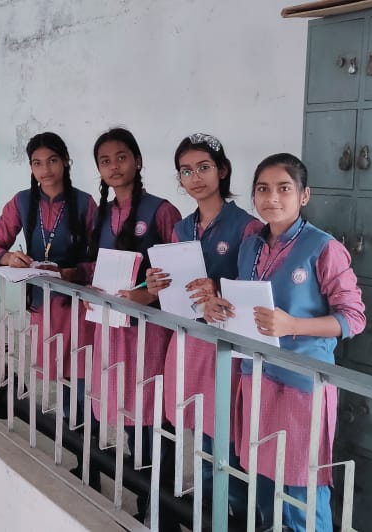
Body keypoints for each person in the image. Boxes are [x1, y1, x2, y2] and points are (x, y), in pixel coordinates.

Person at [204, 153, 365, 531]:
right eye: (262, 189)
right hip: (255, 377)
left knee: (300, 489)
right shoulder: (251, 246)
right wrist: (219, 307)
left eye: (283, 189)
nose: (271, 198)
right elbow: (247, 303)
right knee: (264, 483)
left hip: (300, 384)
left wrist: (294, 324)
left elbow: (354, 318)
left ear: (304, 195)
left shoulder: (323, 248)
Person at [145, 133, 262, 520]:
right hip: (189, 340)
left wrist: (219, 287)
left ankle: (237, 514)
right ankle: (211, 511)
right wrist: (155, 284)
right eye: (186, 171)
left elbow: (255, 291)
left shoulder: (247, 227)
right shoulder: (182, 228)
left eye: (204, 168)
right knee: (202, 435)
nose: (195, 177)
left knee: (227, 436)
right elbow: (175, 291)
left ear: (222, 170)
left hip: (225, 347)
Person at [0, 131, 98, 477]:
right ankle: (77, 455)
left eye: (52, 161)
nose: (45, 170)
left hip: (80, 307)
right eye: (37, 163)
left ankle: (91, 462)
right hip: (43, 308)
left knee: (83, 384)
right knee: (63, 383)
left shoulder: (85, 203)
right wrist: (8, 257)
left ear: (66, 162)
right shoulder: (21, 203)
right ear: (30, 167)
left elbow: (101, 259)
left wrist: (75, 272)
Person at [86, 127, 182, 530]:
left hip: (150, 332)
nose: (114, 166)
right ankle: (146, 502)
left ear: (138, 161)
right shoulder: (102, 213)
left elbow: (177, 274)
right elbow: (93, 265)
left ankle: (163, 513)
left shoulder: (161, 211)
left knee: (155, 418)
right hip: (112, 328)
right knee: (129, 415)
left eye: (122, 157)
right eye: (105, 161)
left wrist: (145, 295)